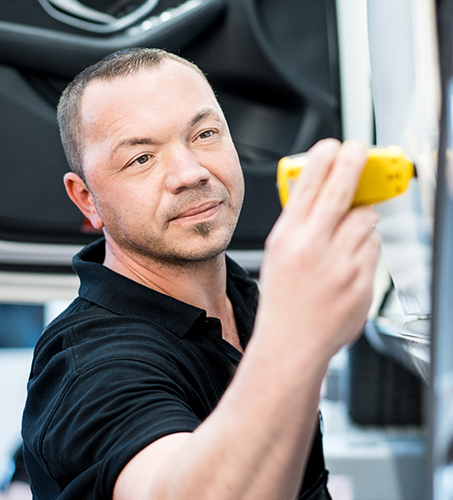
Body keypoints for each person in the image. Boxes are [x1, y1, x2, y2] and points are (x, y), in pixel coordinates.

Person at [21, 47, 381, 500]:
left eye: (205, 133)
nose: (190, 172)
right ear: (87, 199)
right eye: (141, 159)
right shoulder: (91, 367)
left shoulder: (244, 299)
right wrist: (295, 338)